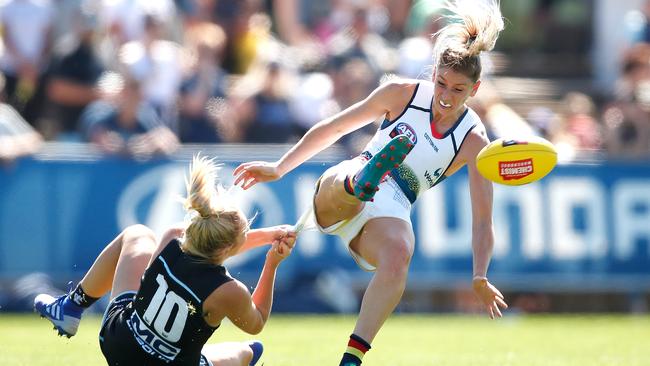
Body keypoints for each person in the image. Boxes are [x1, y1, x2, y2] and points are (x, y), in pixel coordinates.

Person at [233, 1, 508, 365]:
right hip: (351, 177)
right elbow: (335, 127)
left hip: (395, 205)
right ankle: (364, 181)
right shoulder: (402, 93)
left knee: (400, 253)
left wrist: (479, 274)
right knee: (352, 186)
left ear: (474, 90)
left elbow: (483, 218)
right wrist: (281, 167)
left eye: (458, 90)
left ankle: (352, 356)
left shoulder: (474, 141)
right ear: (433, 73)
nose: (445, 96)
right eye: (441, 83)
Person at [34, 155, 296, 366]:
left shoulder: (174, 237)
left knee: (137, 234)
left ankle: (73, 306)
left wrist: (268, 235)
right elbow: (257, 322)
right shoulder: (229, 291)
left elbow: (213, 247)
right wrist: (272, 262)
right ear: (228, 246)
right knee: (247, 350)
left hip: (118, 344)